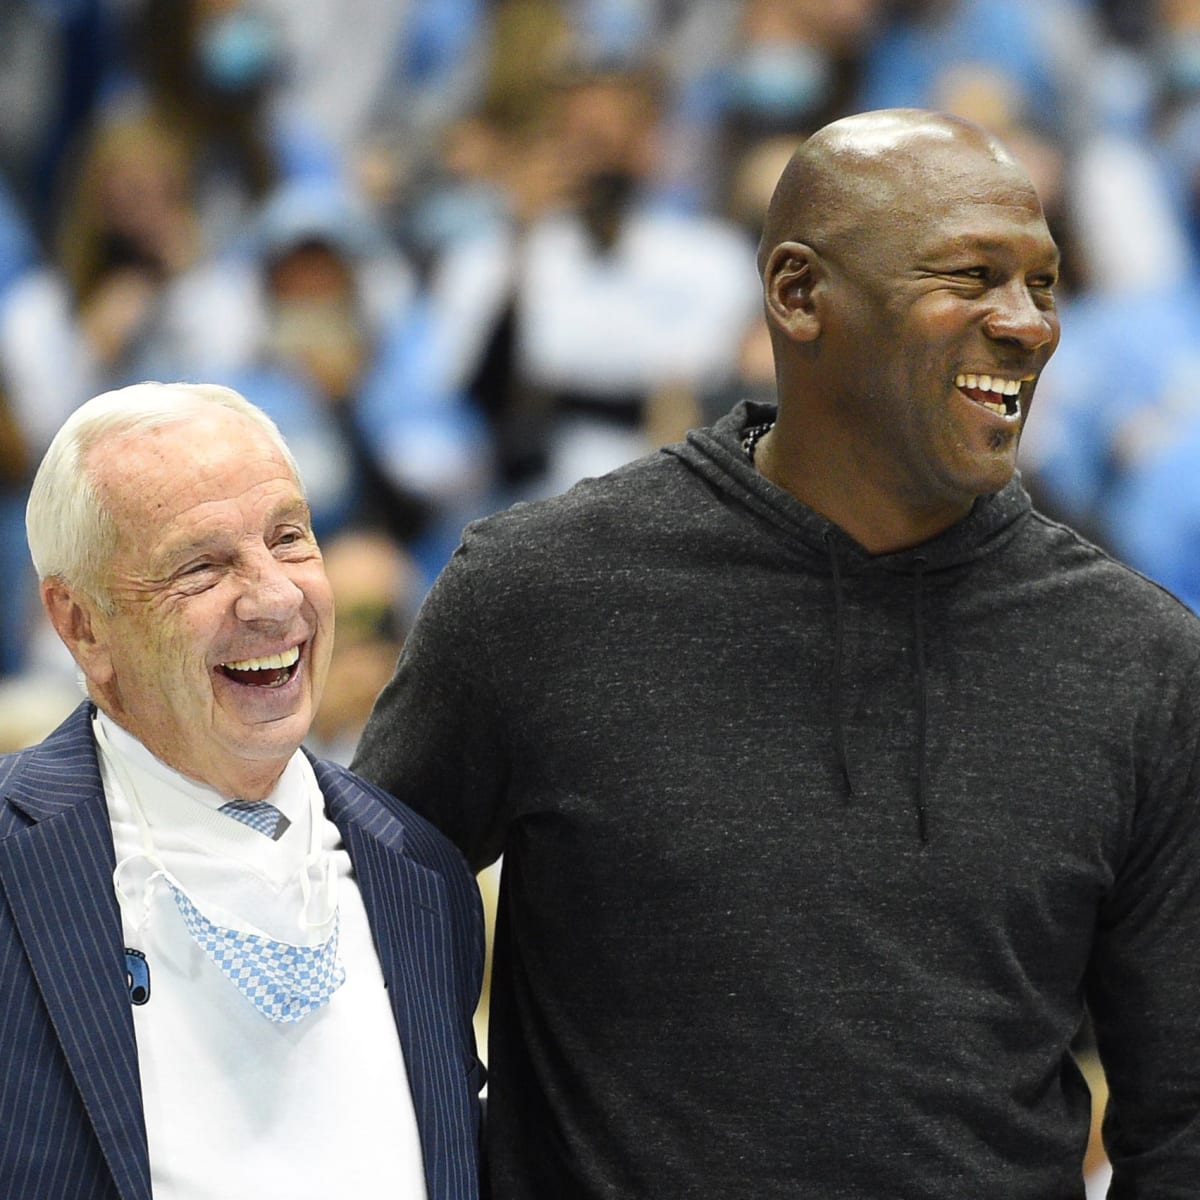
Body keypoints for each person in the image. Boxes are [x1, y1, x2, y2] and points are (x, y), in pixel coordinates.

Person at [352, 108, 1200, 1197]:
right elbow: (360, 940)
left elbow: (1183, 1118)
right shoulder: (541, 596)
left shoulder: (1141, 661)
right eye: (973, 275)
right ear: (800, 295)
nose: (1029, 324)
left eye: (1043, 283)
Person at [0, 382, 484, 1199]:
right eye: (202, 565)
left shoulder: (421, 872)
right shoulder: (14, 863)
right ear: (82, 623)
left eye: (290, 538)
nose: (275, 597)